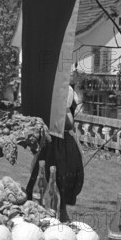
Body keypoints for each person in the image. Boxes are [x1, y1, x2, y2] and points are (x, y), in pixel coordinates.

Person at [26, 85, 84, 222]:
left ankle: (61, 214)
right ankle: (38, 214)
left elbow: (68, 123)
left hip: (61, 142)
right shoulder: (45, 86)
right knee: (41, 179)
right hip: (50, 142)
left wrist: (61, 110)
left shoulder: (65, 89)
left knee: (61, 180)